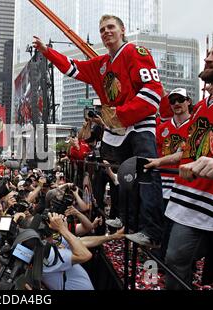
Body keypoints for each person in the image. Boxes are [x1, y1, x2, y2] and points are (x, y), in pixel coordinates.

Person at [33, 14, 164, 248]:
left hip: (140, 125)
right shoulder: (100, 63)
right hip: (118, 131)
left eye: (110, 27)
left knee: (146, 176)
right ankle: (128, 222)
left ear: (122, 30)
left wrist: (120, 114)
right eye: (102, 29)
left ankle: (151, 230)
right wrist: (47, 52)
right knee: (125, 179)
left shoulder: (135, 52)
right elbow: (72, 68)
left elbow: (153, 92)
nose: (106, 32)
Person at [146, 37, 213, 289]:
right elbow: (187, 151)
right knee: (174, 259)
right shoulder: (202, 107)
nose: (208, 58)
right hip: (188, 200)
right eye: (208, 53)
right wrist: (158, 161)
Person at [154, 88, 193, 258]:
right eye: (173, 100)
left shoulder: (195, 125)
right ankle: (162, 258)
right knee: (162, 222)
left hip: (183, 184)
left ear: (188, 101)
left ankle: (174, 261)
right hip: (162, 183)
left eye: (180, 99)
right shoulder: (162, 128)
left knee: (177, 225)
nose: (177, 103)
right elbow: (154, 153)